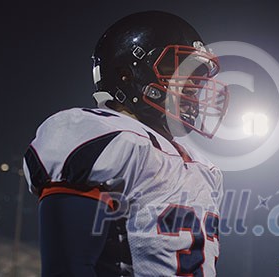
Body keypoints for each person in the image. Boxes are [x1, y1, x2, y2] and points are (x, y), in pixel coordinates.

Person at [22, 10, 229, 276]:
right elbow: (68, 268)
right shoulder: (104, 136)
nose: (190, 85)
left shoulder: (205, 169)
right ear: (126, 75)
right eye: (176, 69)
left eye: (194, 74)